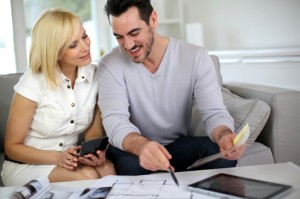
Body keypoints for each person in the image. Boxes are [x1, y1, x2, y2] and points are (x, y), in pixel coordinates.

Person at [97, 0, 245, 175]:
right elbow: (115, 121)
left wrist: (224, 135)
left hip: (175, 147)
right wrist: (142, 146)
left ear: (153, 20)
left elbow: (214, 113)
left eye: (134, 33)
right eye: (119, 36)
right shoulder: (110, 64)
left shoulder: (195, 57)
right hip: (133, 149)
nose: (128, 45)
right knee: (131, 165)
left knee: (220, 154)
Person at [1, 8, 115, 186]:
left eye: (84, 36)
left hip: (69, 160)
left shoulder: (95, 76)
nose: (85, 47)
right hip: (25, 165)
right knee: (88, 176)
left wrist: (95, 154)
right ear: (56, 51)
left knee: (106, 169)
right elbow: (12, 147)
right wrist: (57, 157)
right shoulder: (33, 81)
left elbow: (93, 134)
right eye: (73, 45)